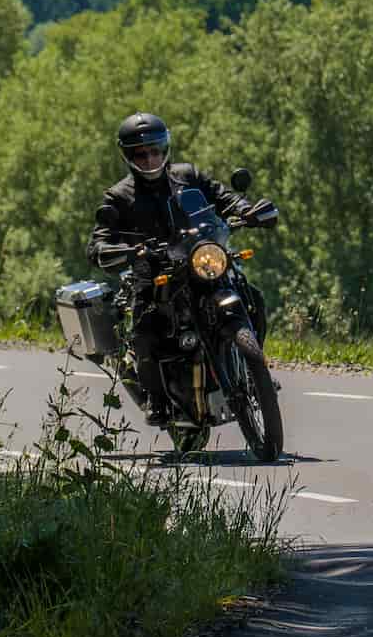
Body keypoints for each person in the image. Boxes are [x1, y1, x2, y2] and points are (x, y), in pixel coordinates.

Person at [89, 111, 255, 413]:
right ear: (128, 156)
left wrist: (246, 210)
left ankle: (256, 370)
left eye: (155, 151)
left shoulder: (188, 176)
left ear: (165, 149)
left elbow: (223, 196)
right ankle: (156, 398)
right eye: (141, 154)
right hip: (154, 274)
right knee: (145, 327)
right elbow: (99, 241)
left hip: (199, 257)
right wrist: (117, 250)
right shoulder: (118, 197)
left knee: (250, 293)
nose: (150, 159)